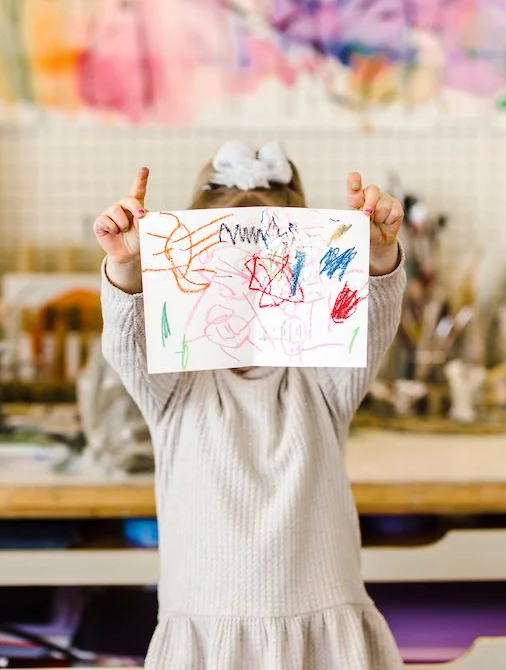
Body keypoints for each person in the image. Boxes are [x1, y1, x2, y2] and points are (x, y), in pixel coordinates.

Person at [92, 140, 407, 670]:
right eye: (225, 265)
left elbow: (371, 320)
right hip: (206, 644)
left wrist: (375, 258)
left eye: (270, 265)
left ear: (305, 268)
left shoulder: (323, 380)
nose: (250, 282)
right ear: (186, 274)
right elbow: (128, 336)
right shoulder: (175, 384)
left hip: (322, 645)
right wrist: (126, 267)